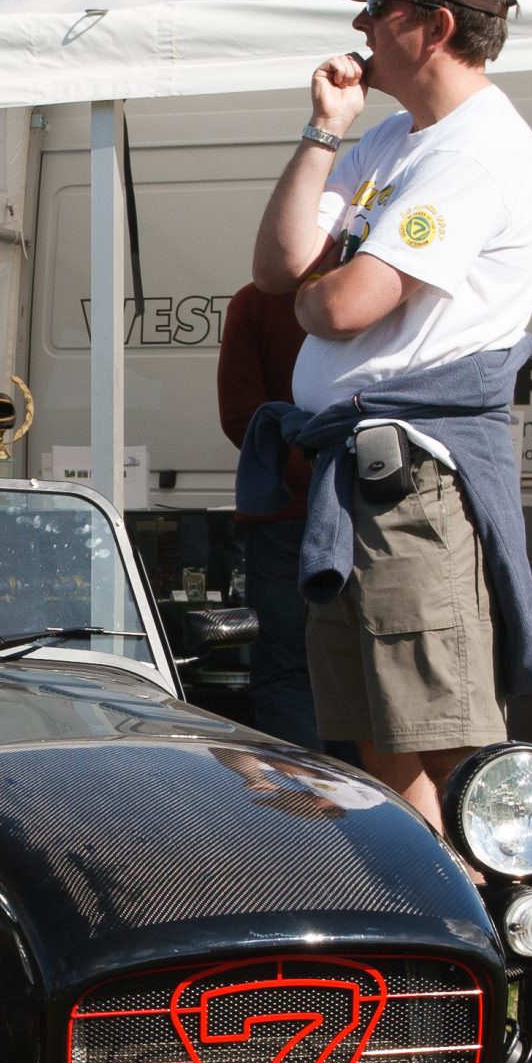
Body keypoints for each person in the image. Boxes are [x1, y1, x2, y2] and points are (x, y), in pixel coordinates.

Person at [243, 0, 532, 833]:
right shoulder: (390, 138)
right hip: (365, 476)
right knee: (382, 733)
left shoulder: (479, 149)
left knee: (442, 733)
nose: (359, 24)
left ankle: (499, 923)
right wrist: (322, 132)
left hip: (413, 481)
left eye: (378, 7)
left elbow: (342, 305)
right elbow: (278, 268)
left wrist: (319, 289)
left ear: (436, 24)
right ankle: (442, 919)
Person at [214, 282, 321, 749]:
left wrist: (300, 468)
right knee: (363, 672)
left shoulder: (256, 300)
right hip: (320, 511)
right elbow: (241, 414)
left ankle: (302, 810)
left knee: (289, 672)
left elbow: (242, 416)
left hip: (289, 513)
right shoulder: (257, 301)